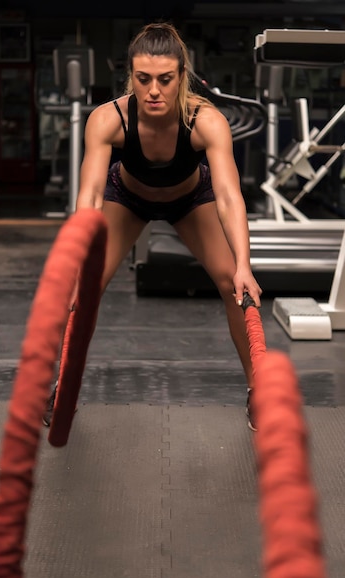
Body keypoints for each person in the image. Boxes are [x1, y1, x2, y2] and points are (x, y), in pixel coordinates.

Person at [47, 22, 262, 430]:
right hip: (127, 199)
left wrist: (244, 265)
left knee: (232, 285)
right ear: (131, 75)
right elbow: (90, 197)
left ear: (182, 75)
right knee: (84, 290)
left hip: (190, 200)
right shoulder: (107, 119)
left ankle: (258, 391)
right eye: (143, 79)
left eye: (165, 80)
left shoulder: (207, 121)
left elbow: (230, 197)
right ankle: (67, 385)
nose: (153, 91)